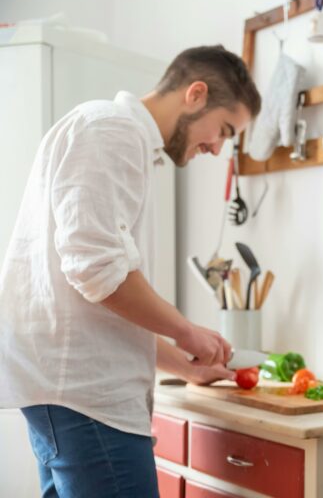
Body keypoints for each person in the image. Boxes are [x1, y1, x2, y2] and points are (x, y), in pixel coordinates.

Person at [0, 45, 261, 497]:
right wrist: (187, 332)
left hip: (70, 394)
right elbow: (98, 271)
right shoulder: (111, 131)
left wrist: (185, 365)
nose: (217, 147)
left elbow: (99, 296)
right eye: (223, 130)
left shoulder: (120, 138)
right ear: (195, 94)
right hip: (87, 399)